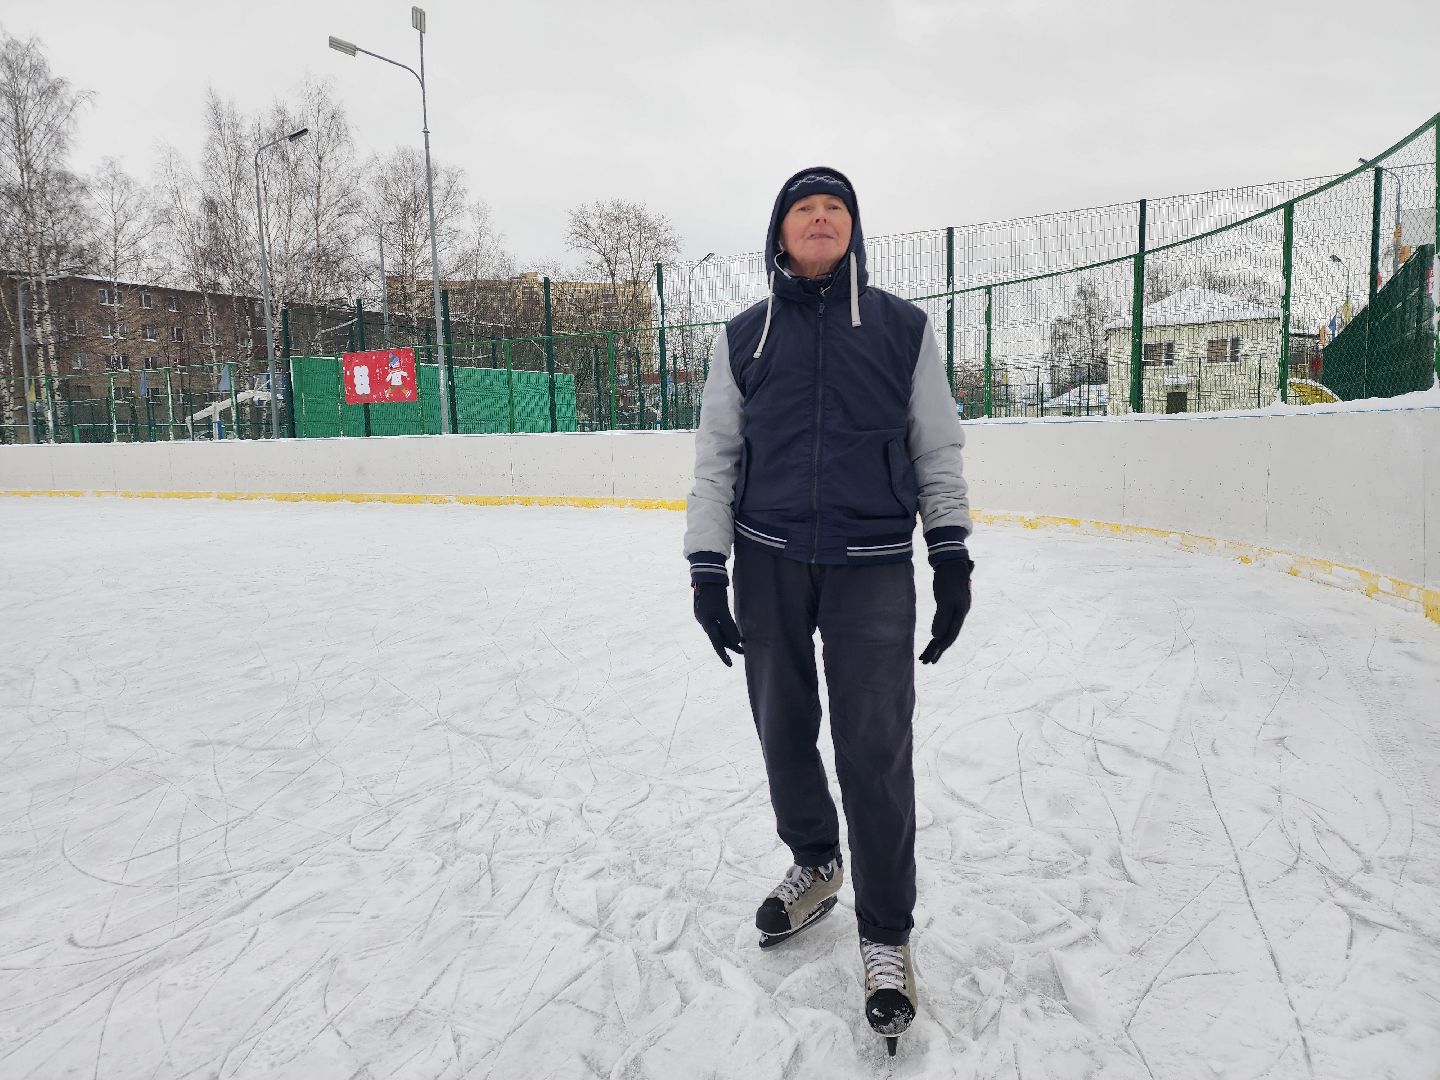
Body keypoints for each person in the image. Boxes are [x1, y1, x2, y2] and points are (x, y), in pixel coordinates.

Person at [683, 167, 972, 1053]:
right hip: (768, 559)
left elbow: (938, 441)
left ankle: (886, 936)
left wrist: (950, 550)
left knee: (875, 748)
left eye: (834, 207)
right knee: (781, 726)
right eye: (803, 208)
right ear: (779, 233)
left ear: (853, 231)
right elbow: (716, 456)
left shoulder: (900, 329)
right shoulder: (742, 338)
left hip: (874, 563)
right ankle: (816, 860)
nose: (819, 217)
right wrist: (706, 563)